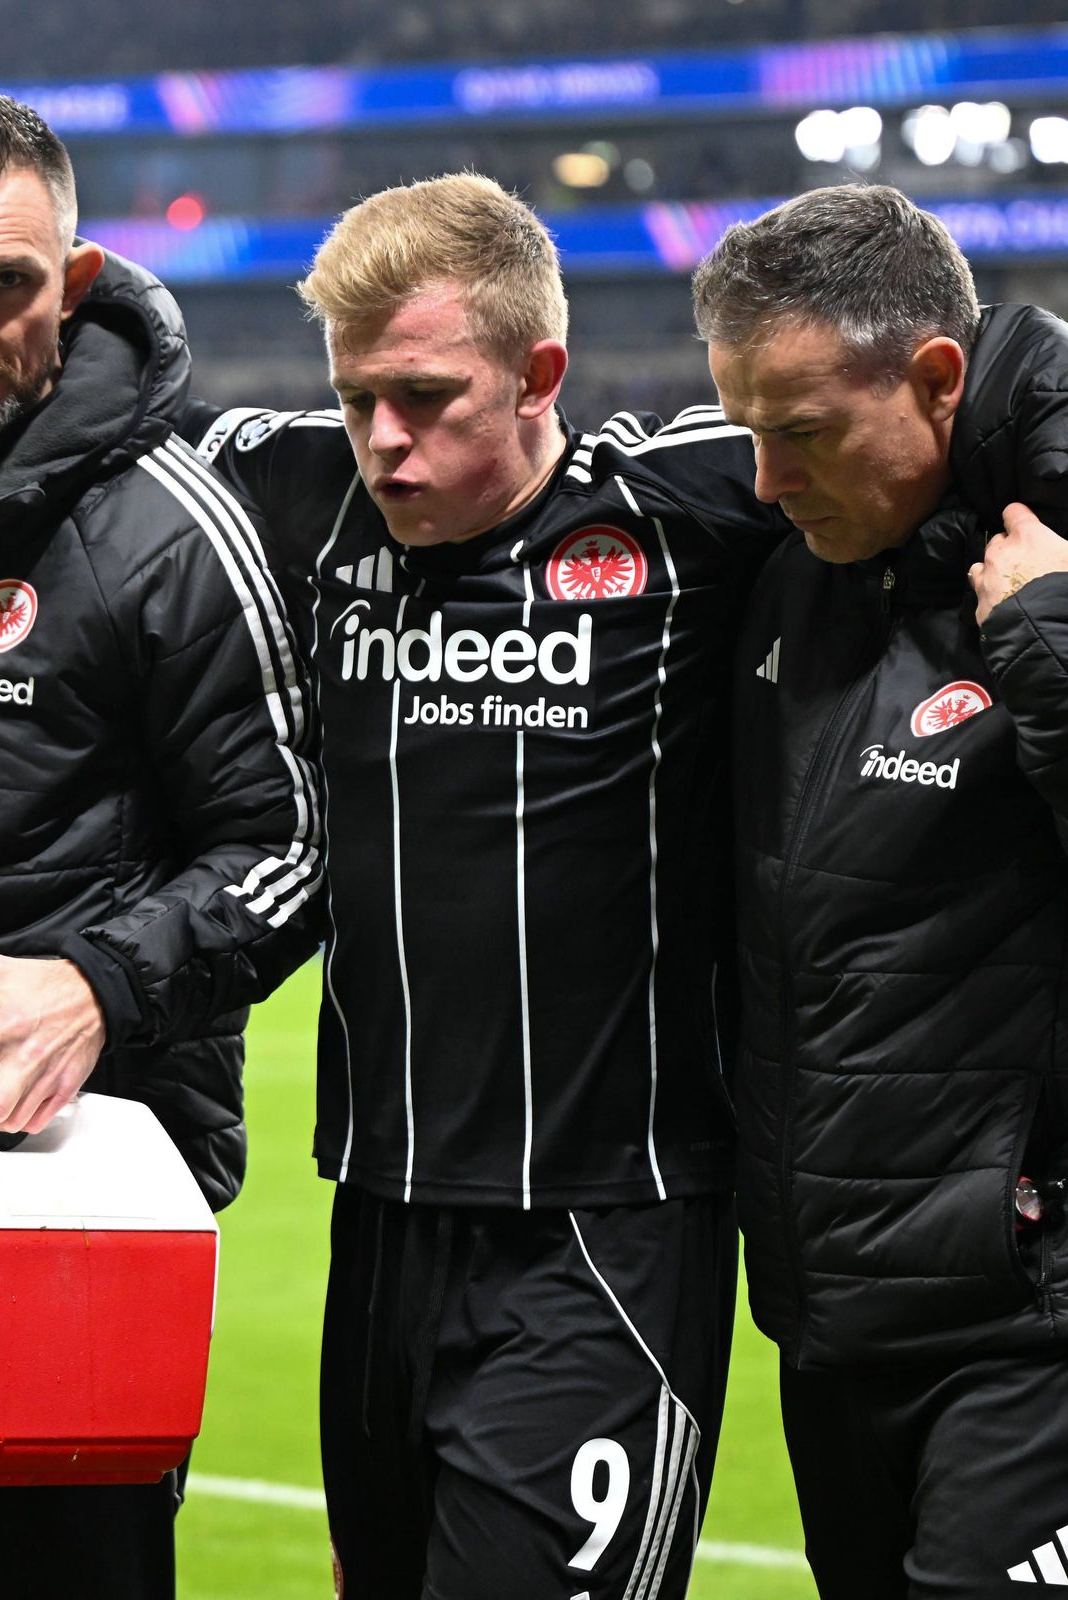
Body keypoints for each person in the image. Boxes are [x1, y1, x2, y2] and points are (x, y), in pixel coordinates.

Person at [185, 171, 786, 1600]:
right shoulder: (299, 492)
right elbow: (104, 434)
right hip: (381, 1217)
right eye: (356, 399)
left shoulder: (686, 507)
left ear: (539, 375)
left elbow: (929, 407)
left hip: (609, 1226)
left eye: (427, 398)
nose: (383, 442)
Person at [0, 89, 323, 1600]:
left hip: (56, 1210)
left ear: (72, 281)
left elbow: (293, 846)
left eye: (6, 284)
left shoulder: (169, 529)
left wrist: (97, 986)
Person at [692, 183, 1068, 1599]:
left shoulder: (1046, 587)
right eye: (746, 430)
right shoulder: (795, 578)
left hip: (1028, 1328)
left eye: (802, 431)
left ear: (938, 378)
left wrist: (1051, 652)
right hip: (832, 1325)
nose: (765, 480)